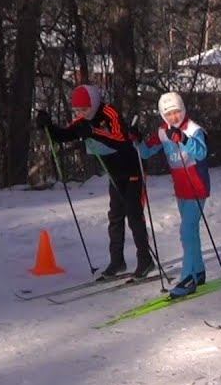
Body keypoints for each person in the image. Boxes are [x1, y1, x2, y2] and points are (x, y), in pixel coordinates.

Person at [37, 84, 153, 279]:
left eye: (85, 109)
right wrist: (48, 126)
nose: (81, 113)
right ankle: (117, 261)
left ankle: (145, 259)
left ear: (94, 104)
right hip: (114, 173)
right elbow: (64, 136)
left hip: (132, 169)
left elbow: (121, 140)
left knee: (134, 215)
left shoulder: (109, 113)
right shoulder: (83, 120)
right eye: (78, 110)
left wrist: (94, 132)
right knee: (115, 217)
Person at [135, 92, 210, 298]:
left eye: (177, 112)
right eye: (169, 114)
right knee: (190, 231)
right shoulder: (162, 132)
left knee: (186, 231)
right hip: (181, 188)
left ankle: (188, 278)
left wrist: (184, 139)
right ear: (162, 115)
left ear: (183, 110)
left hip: (197, 186)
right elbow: (146, 152)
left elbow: (202, 153)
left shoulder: (193, 130)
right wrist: (137, 139)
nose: (174, 118)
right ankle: (198, 270)